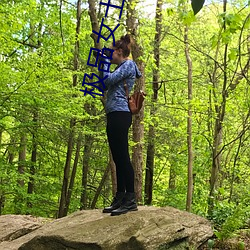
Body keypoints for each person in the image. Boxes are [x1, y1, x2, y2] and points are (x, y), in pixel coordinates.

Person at [99, 34, 142, 216]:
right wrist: (103, 65)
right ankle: (121, 197)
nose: (110, 56)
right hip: (113, 113)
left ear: (119, 52)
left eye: (112, 53)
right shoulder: (121, 66)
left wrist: (104, 63)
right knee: (117, 157)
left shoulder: (128, 65)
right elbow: (104, 84)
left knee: (123, 157)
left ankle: (130, 200)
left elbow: (108, 81)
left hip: (121, 113)